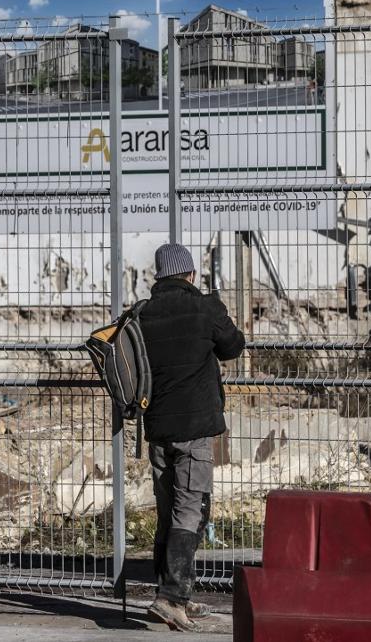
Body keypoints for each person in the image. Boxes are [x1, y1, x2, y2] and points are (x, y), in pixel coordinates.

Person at [139, 243, 245, 631]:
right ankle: (171, 597)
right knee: (193, 509)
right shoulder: (205, 307)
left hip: (157, 429)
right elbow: (233, 348)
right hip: (194, 429)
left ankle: (171, 594)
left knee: (169, 510)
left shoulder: (142, 314)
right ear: (190, 275)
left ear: (158, 277)